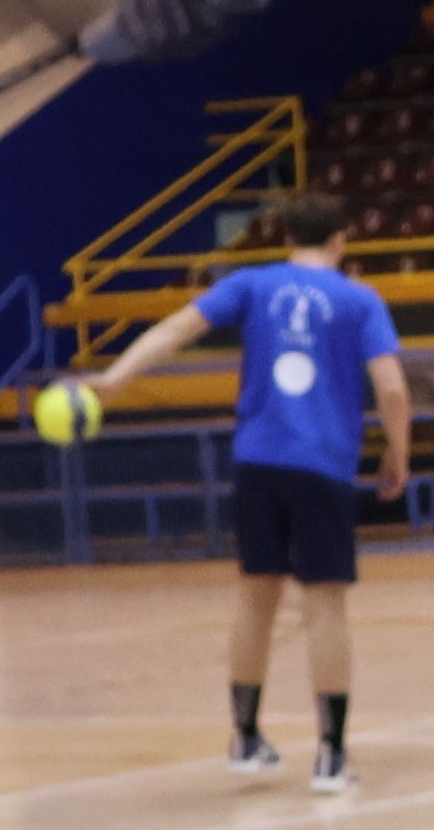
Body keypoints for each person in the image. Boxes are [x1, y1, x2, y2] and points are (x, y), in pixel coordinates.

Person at [77, 192, 408, 794]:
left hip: (258, 459)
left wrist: (114, 378)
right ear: (341, 240)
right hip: (322, 464)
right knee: (324, 603)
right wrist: (398, 450)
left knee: (257, 597)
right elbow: (391, 388)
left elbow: (178, 327)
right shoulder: (360, 300)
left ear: (287, 238)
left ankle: (246, 737)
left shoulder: (253, 284)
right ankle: (331, 755)